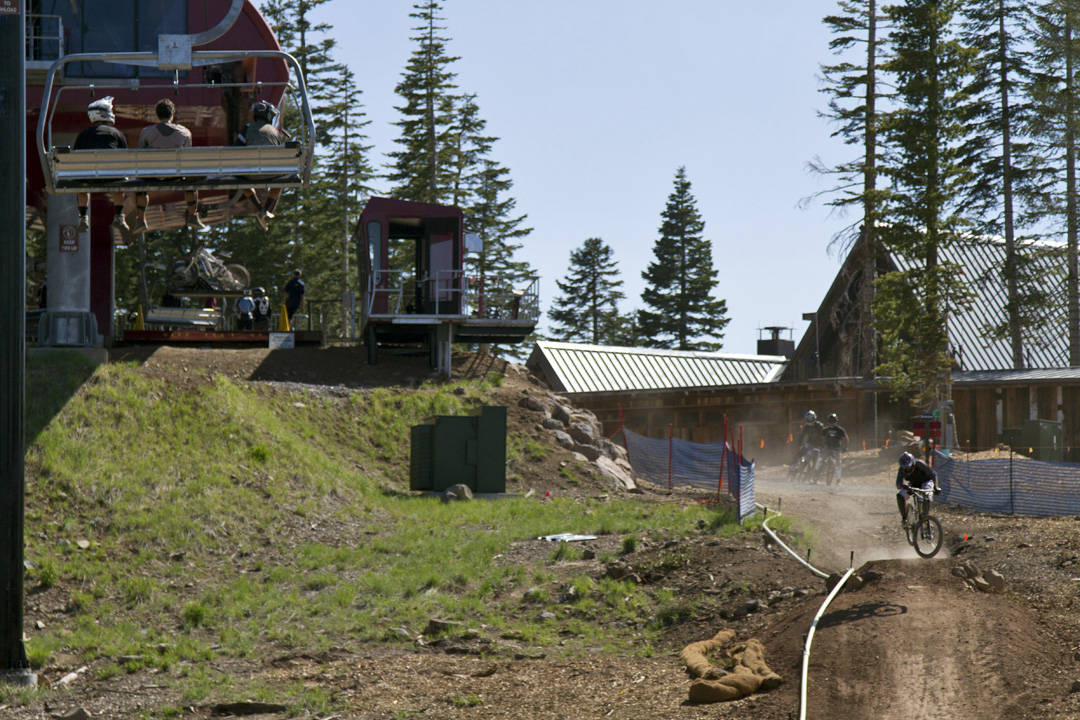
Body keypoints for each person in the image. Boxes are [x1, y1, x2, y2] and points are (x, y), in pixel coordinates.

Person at [133, 98, 205, 233]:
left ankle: (141, 219)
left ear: (157, 114)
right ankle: (192, 216)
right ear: (172, 114)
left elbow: (141, 154)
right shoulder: (184, 132)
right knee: (191, 183)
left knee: (140, 184)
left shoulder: (147, 132)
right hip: (175, 175)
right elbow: (187, 156)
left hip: (151, 176)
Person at [73, 97, 129, 233]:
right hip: (112, 176)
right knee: (120, 181)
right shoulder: (116, 134)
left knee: (82, 184)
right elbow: (126, 157)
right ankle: (119, 216)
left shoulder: (83, 134)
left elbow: (75, 156)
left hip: (88, 177)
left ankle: (83, 217)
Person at [237, 100, 284, 230]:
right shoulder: (275, 131)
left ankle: (259, 208)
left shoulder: (247, 128)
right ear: (269, 116)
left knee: (240, 181)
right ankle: (265, 209)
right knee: (281, 181)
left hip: (250, 174)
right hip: (271, 174)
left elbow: (235, 148)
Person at [895, 451, 941, 527]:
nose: (907, 470)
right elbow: (898, 485)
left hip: (926, 481)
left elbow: (933, 475)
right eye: (904, 468)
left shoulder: (920, 464)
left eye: (909, 467)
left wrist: (936, 487)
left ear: (913, 464)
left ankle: (926, 519)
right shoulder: (901, 470)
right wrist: (904, 486)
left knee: (925, 497)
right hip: (913, 483)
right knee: (900, 496)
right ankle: (904, 518)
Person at [791, 410, 824, 475]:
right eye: (808, 419)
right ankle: (793, 468)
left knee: (815, 457)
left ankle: (813, 471)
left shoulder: (819, 426)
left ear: (814, 418)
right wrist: (800, 444)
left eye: (810, 419)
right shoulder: (807, 426)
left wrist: (822, 445)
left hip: (818, 444)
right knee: (800, 453)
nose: (809, 421)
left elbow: (823, 436)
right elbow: (802, 435)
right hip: (810, 443)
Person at [821, 413, 849, 484]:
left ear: (836, 421)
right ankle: (816, 473)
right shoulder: (825, 430)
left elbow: (846, 438)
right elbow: (821, 438)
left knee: (838, 462)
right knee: (820, 458)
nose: (831, 422)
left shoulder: (839, 430)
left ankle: (838, 480)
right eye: (830, 420)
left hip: (836, 448)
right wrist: (821, 445)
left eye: (833, 420)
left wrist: (845, 447)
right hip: (827, 447)